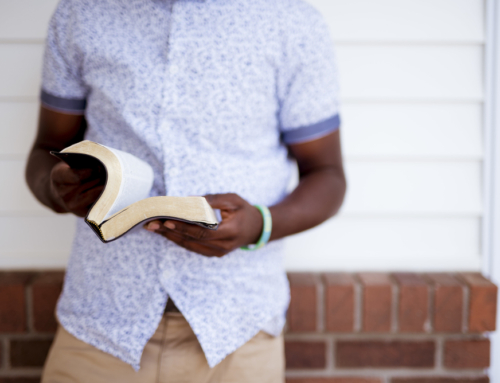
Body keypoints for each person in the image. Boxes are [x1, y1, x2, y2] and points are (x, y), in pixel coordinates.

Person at [25, 0, 346, 381]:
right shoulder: (83, 13)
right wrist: (57, 189)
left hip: (238, 331)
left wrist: (260, 224)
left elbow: (327, 174)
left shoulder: (291, 20)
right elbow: (44, 152)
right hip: (100, 326)